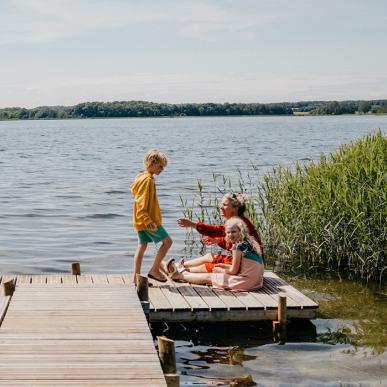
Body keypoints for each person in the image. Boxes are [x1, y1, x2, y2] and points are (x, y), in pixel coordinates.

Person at [168, 217, 264, 291]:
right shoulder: (251, 241)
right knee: (217, 268)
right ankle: (183, 271)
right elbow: (239, 267)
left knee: (211, 276)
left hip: (246, 282)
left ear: (241, 231)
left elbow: (234, 271)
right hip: (257, 280)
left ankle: (180, 276)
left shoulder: (237, 247)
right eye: (228, 232)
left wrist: (220, 270)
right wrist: (223, 266)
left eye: (234, 232)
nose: (231, 235)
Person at [176, 192, 264, 273]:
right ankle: (178, 267)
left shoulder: (239, 223)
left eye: (225, 205)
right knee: (209, 256)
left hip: (249, 266)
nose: (221, 207)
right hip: (244, 262)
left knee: (208, 266)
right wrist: (218, 241)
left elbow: (215, 230)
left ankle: (181, 272)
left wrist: (193, 224)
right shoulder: (236, 220)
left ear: (235, 207)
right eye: (221, 204)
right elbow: (235, 243)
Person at [131, 149, 172, 282]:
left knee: (142, 246)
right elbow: (141, 201)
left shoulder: (140, 177)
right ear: (152, 164)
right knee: (167, 242)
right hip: (148, 221)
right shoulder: (147, 180)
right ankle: (154, 270)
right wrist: (147, 219)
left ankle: (136, 278)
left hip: (140, 220)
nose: (162, 169)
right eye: (160, 166)